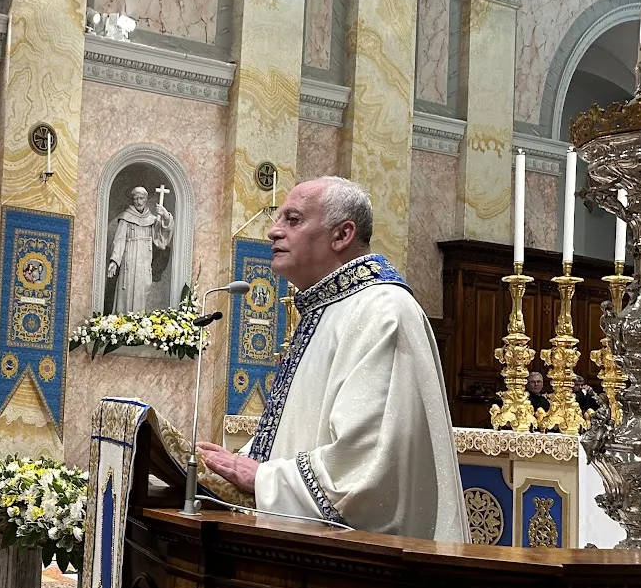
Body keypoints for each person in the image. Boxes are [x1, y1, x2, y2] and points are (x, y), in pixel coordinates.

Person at [198, 177, 467, 542]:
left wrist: (260, 477)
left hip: (362, 569)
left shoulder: (383, 312)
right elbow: (300, 430)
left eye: (292, 219)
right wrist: (235, 465)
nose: (273, 232)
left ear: (341, 235)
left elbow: (368, 465)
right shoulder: (332, 307)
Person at [106, 186, 173, 314]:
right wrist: (115, 260)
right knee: (127, 288)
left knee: (142, 288)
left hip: (145, 259)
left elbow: (161, 239)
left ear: (146, 199)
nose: (138, 201)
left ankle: (139, 319)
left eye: (141, 198)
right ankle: (123, 320)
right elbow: (119, 240)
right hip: (129, 258)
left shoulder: (153, 219)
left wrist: (166, 216)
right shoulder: (126, 217)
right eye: (136, 198)